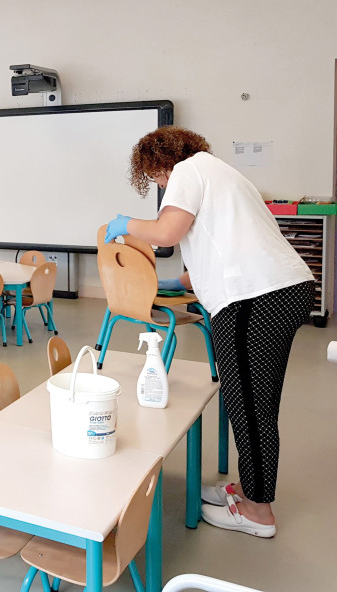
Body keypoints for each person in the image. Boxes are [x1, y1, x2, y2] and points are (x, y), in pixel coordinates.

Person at [105, 126, 313, 538]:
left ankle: (258, 513)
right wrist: (179, 282)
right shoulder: (221, 172)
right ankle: (250, 489)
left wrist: (127, 223)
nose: (161, 185)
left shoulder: (186, 172)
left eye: (155, 177)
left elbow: (167, 233)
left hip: (254, 296)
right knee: (256, 400)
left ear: (160, 161)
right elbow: (220, 244)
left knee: (249, 405)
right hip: (281, 288)